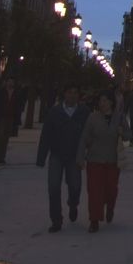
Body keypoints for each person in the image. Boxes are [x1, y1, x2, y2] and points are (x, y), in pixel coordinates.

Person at [36, 82, 90, 232]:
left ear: (79, 95)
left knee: (75, 186)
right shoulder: (55, 112)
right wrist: (41, 157)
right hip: (57, 154)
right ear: (64, 94)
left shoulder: (84, 112)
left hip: (75, 155)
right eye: (69, 92)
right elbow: (46, 134)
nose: (72, 95)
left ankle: (73, 204)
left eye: (75, 92)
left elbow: (89, 134)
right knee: (53, 187)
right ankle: (56, 220)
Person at [76, 90, 129, 232]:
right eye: (100, 101)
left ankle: (110, 207)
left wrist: (121, 132)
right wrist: (80, 157)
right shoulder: (93, 117)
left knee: (111, 190)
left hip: (112, 161)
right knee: (94, 191)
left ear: (111, 102)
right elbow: (84, 137)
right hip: (95, 160)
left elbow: (128, 135)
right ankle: (94, 220)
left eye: (105, 100)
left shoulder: (119, 117)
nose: (102, 103)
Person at [0, 76, 20, 165]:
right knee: (0, 137)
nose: (11, 83)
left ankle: (2, 157)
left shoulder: (16, 93)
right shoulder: (1, 92)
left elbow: (17, 106)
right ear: (6, 82)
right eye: (9, 82)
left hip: (10, 117)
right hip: (2, 117)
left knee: (5, 138)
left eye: (12, 82)